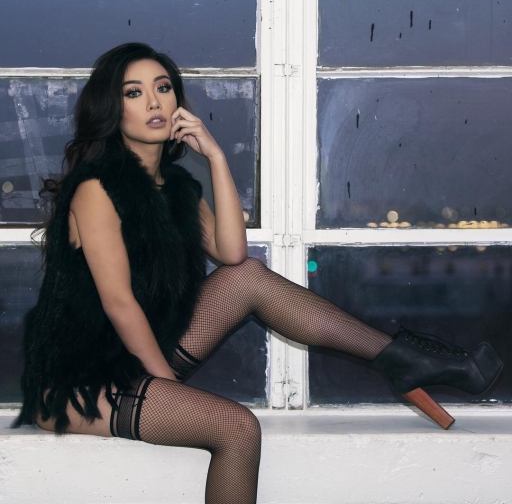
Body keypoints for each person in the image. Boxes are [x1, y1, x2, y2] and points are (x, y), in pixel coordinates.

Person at [12, 43, 503, 504]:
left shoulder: (176, 187)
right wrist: (168, 388)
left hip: (139, 358)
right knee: (237, 428)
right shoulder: (96, 189)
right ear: (111, 109)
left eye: (163, 87)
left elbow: (231, 253)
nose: (154, 102)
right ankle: (405, 362)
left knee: (246, 276)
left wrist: (215, 157)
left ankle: (401, 358)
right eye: (133, 93)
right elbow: (120, 303)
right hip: (80, 381)